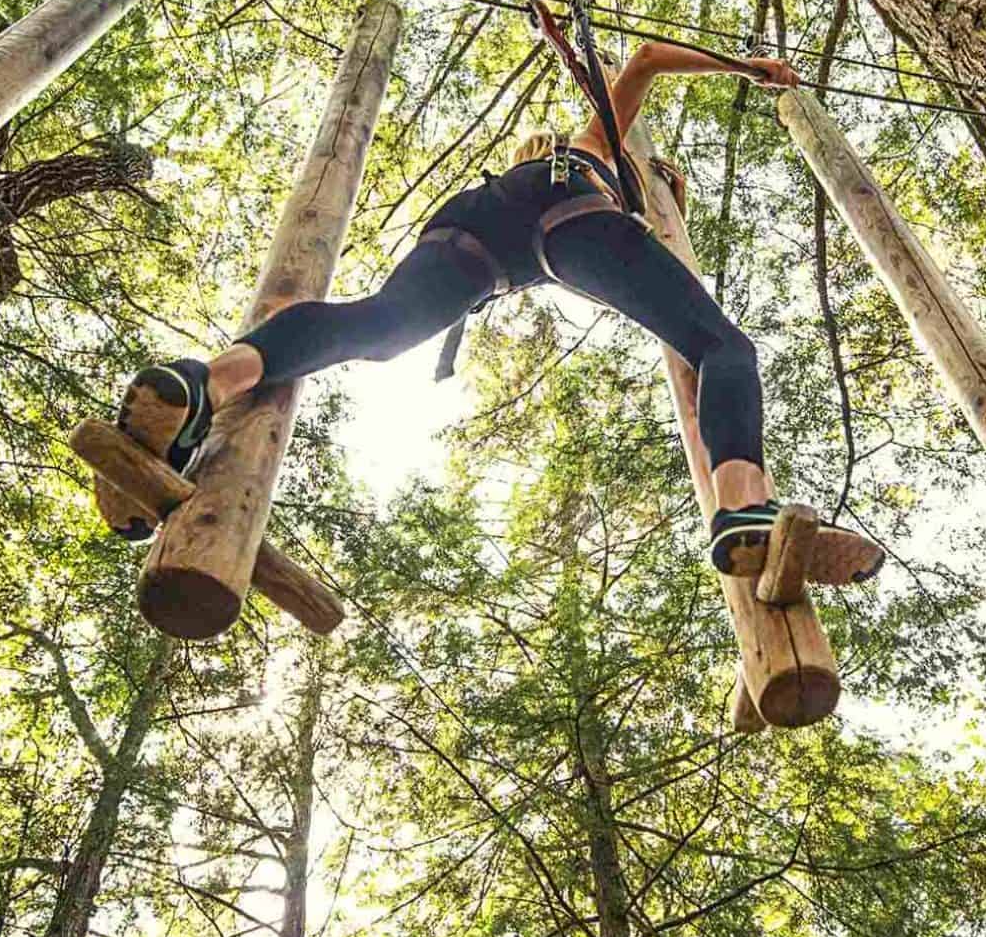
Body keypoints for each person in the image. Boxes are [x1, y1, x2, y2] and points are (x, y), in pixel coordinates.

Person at [96, 35, 882, 585]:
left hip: (469, 237)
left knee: (372, 331)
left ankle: (203, 382)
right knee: (721, 348)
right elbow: (643, 61)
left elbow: (631, 65)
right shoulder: (591, 157)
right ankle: (743, 509)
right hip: (563, 228)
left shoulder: (530, 164)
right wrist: (745, 68)